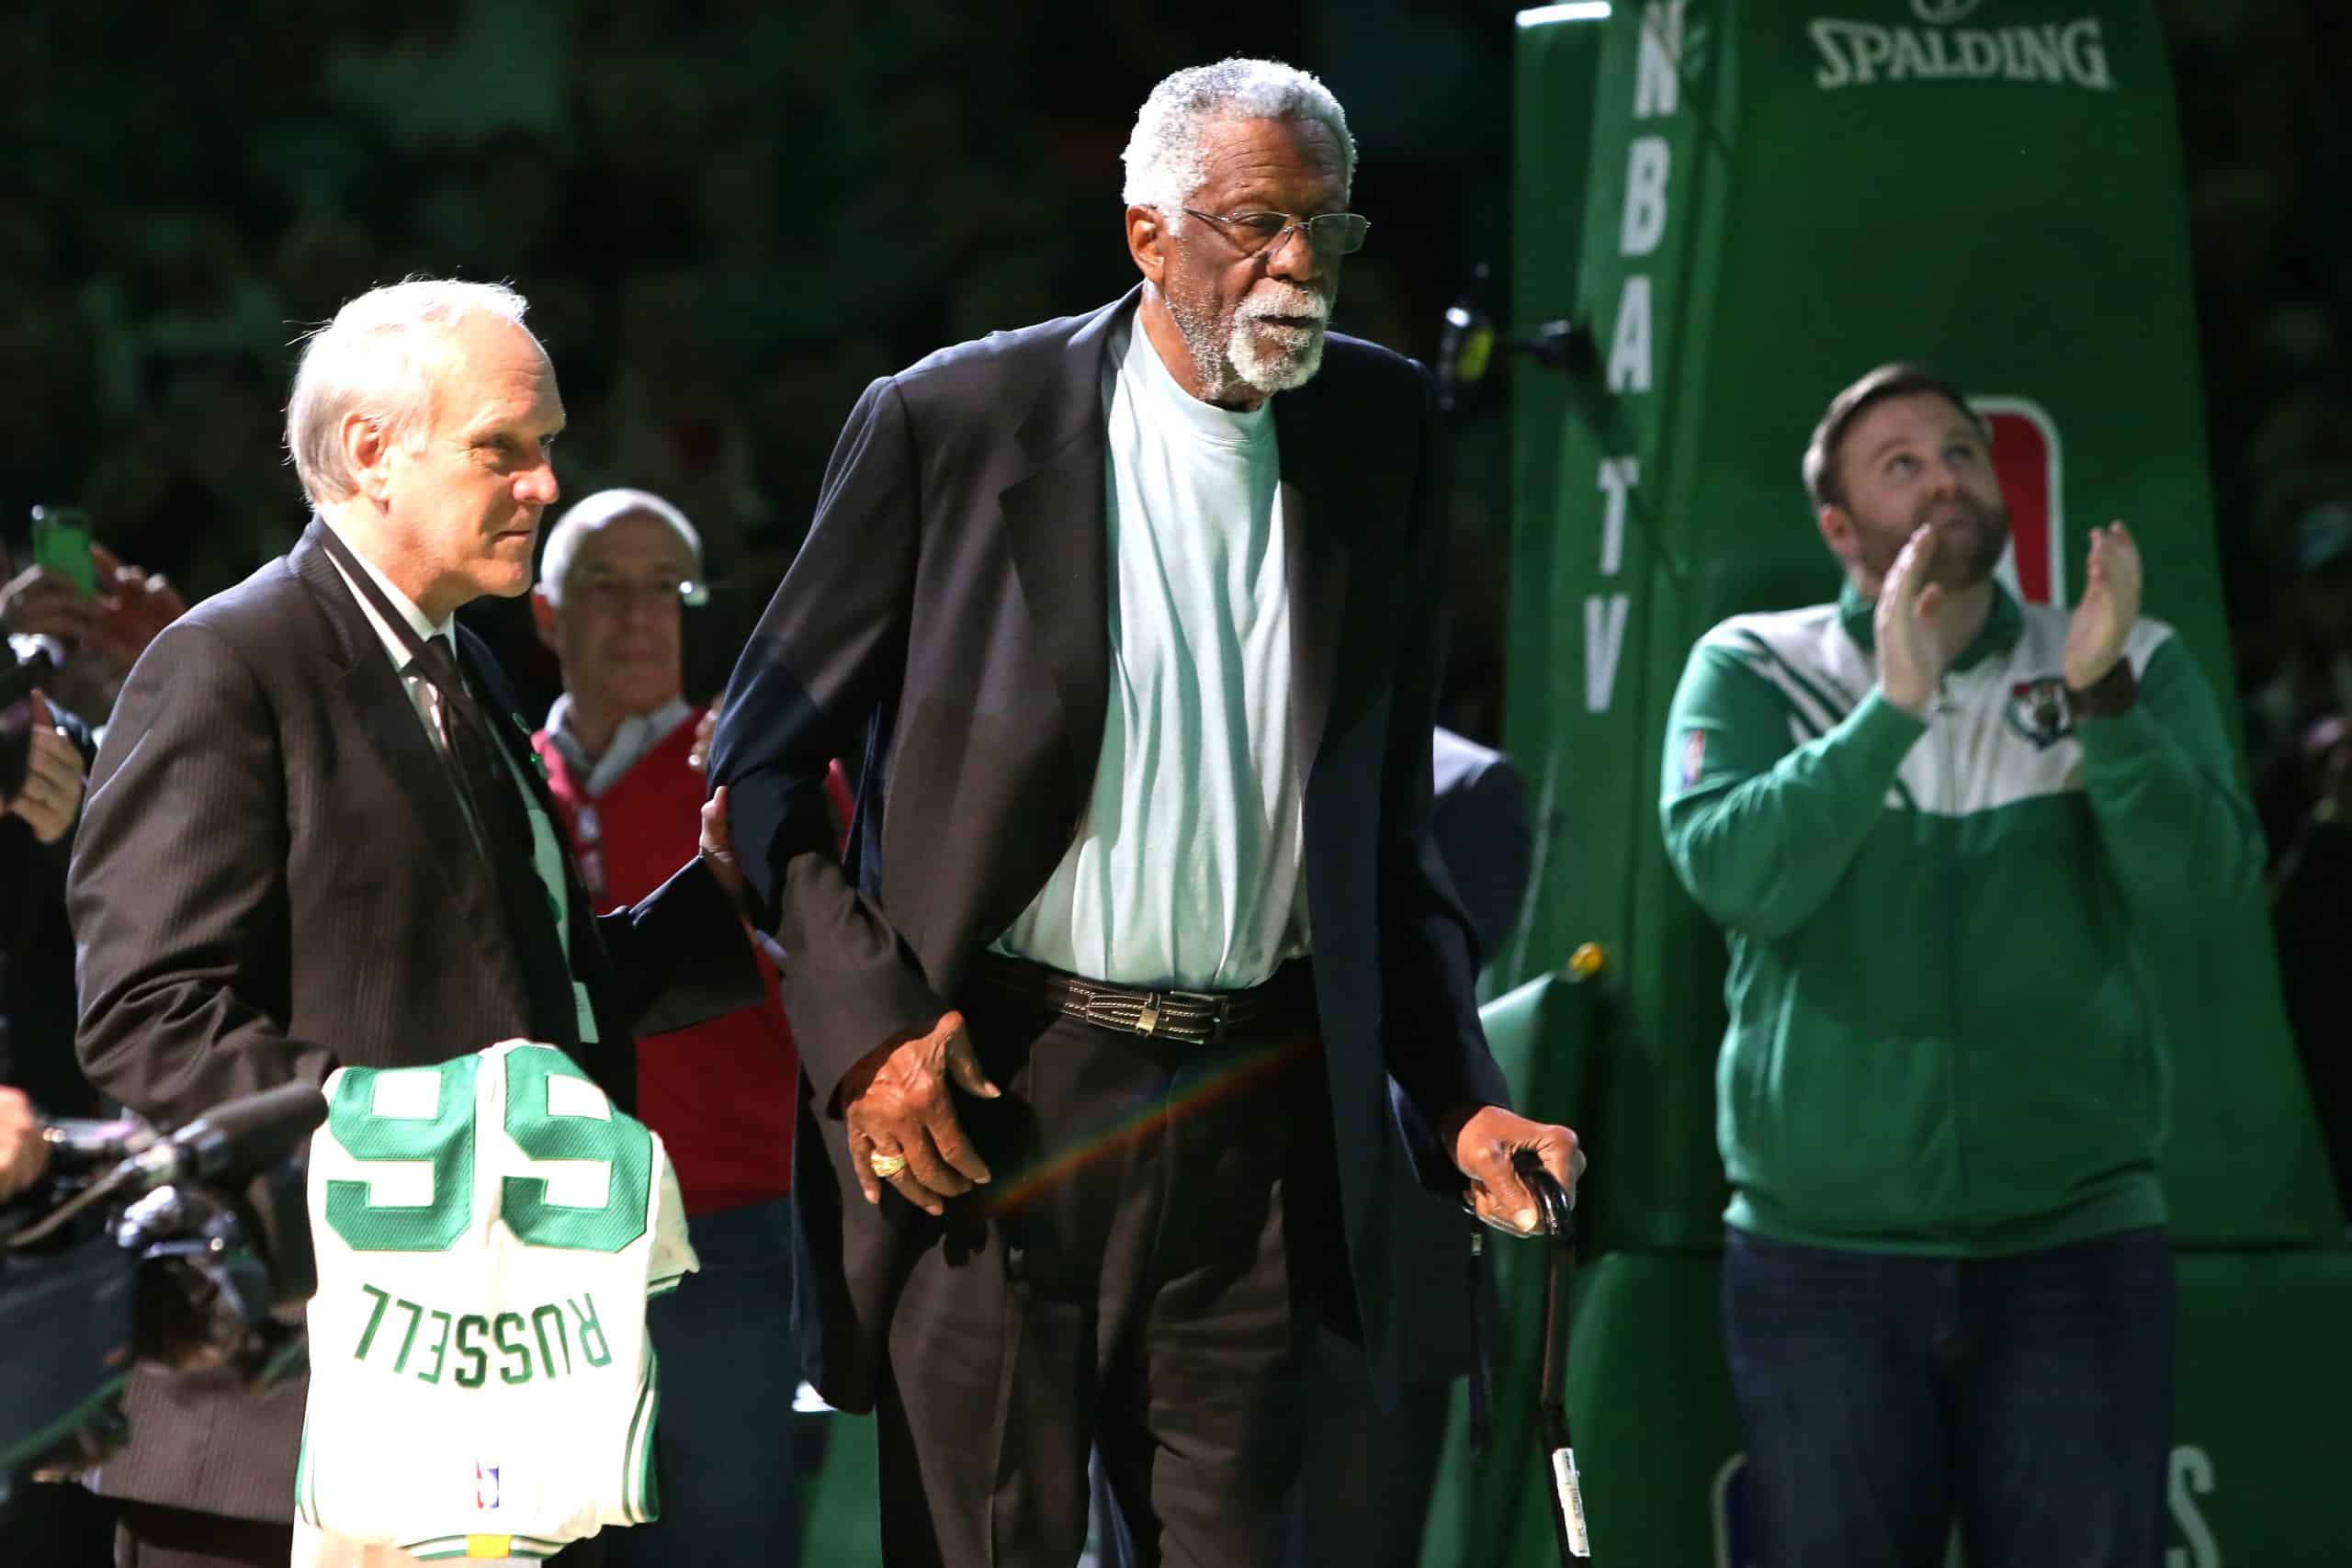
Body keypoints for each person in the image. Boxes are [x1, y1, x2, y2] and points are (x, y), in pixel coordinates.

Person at [710, 58, 1581, 1568]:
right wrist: (865, 1040)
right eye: (1256, 224)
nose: (1298, 265)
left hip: (1251, 1114)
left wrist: (1460, 1099)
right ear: (1145, 234)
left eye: (1327, 227)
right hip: (991, 1098)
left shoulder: (1379, 431)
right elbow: (761, 773)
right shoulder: (952, 422)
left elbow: (1385, 835)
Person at [68, 279, 763, 1568]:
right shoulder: (226, 663)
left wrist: (709, 898)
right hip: (283, 1424)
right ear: (371, 453)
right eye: (505, 445)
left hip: (477, 1414)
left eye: (548, 444)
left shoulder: (468, 663)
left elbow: (526, 995)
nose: (545, 483)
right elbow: (147, 1017)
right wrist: (423, 1141)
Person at [1659, 363, 2263, 1567]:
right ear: (1840, 528)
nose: (1945, 476)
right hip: (1820, 1258)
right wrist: (1889, 709)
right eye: (1903, 463)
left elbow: (2208, 889)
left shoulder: (2120, 654)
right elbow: (1730, 875)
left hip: (2074, 1248)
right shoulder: (1753, 666)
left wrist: (2109, 706)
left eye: (1962, 451)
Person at [527, 487, 843, 1568]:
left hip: (730, 1235)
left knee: (721, 1543)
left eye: (667, 588)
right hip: (536, 1241)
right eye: (604, 588)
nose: (638, 616)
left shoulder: (763, 781)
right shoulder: (500, 776)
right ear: (544, 615)